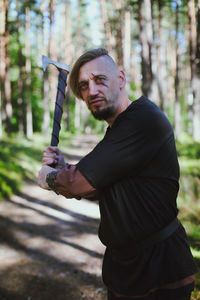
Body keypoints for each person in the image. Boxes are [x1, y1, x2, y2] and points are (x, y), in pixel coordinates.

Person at [37, 48, 197, 300]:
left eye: (100, 79)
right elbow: (99, 184)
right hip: (125, 267)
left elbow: (79, 183)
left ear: (121, 79)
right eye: (84, 86)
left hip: (160, 268)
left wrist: (49, 177)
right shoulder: (118, 129)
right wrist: (64, 167)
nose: (91, 91)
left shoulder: (142, 120)